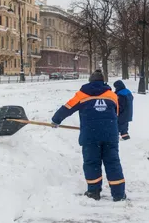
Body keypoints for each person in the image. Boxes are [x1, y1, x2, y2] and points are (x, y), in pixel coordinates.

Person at [51, 70, 126, 201]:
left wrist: (56, 120)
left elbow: (67, 108)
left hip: (90, 135)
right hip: (110, 134)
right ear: (103, 81)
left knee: (92, 163)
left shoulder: (82, 95)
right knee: (113, 162)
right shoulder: (112, 95)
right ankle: (119, 194)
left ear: (90, 80)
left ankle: (93, 192)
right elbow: (116, 113)